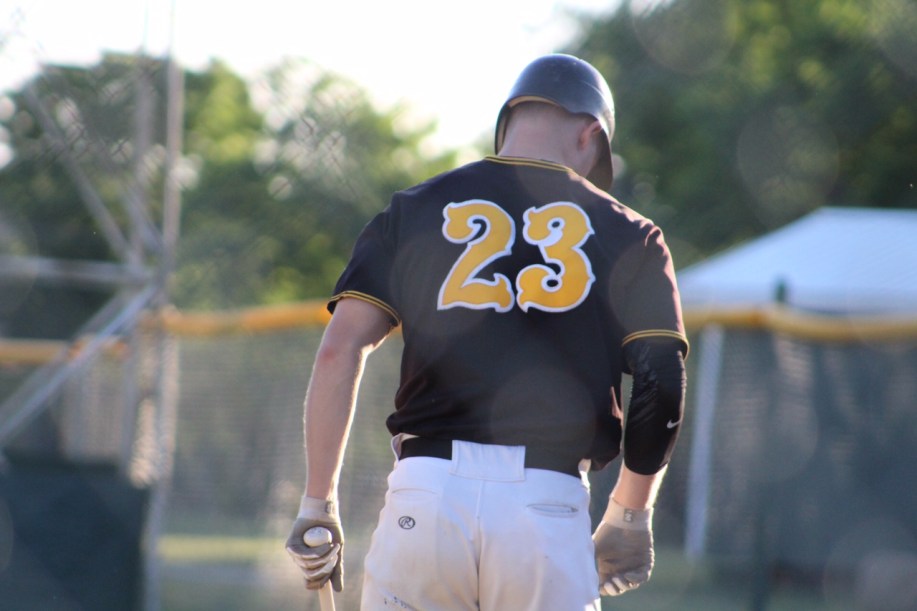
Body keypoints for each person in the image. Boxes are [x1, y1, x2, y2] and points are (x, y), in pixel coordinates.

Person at [285, 53, 688, 610]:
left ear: (508, 123)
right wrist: (629, 514)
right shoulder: (631, 232)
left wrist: (318, 503)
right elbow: (661, 382)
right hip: (545, 507)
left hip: (425, 495)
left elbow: (340, 348)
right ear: (590, 133)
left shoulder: (415, 206)